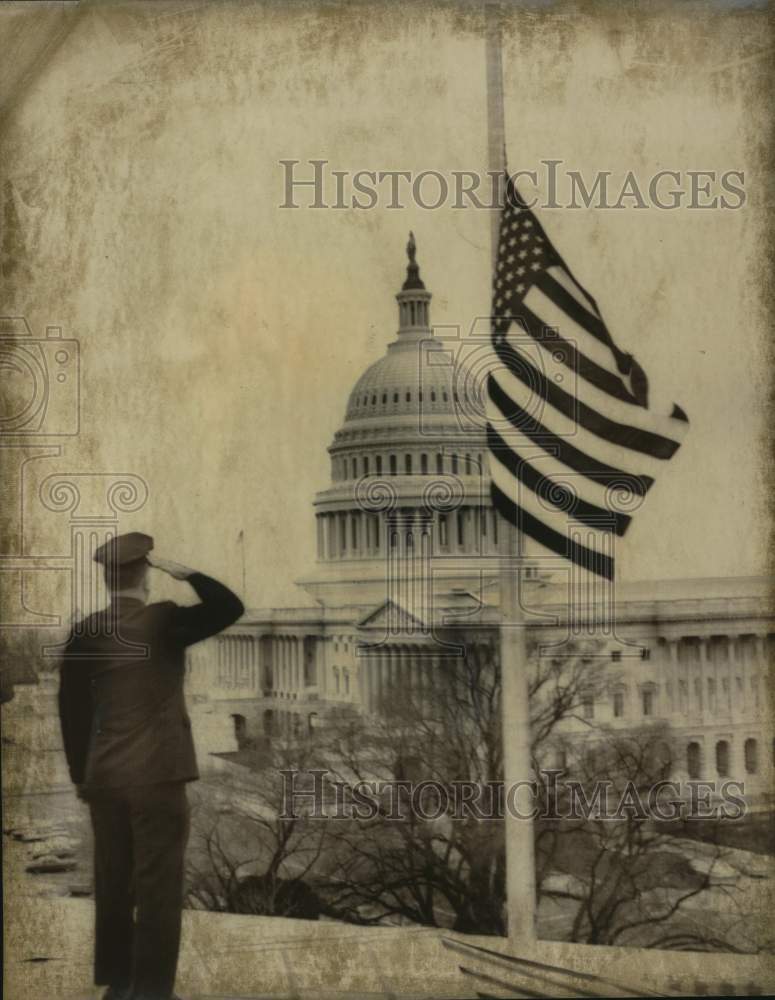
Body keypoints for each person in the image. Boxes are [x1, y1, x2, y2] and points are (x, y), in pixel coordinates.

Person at [57, 532, 244, 1000]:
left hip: (105, 779)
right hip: (158, 777)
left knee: (113, 882)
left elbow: (72, 713)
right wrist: (188, 573)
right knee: (158, 887)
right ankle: (152, 992)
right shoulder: (163, 621)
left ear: (107, 580)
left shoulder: (86, 631)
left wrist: (83, 776)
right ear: (145, 576)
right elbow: (229, 608)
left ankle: (118, 986)